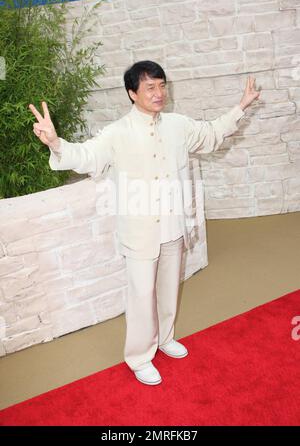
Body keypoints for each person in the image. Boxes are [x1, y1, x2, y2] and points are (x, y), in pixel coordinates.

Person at [29, 60, 260, 386]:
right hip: (139, 231)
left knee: (169, 288)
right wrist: (55, 142)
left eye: (162, 85)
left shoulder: (178, 125)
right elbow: (85, 156)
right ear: (132, 93)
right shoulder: (117, 133)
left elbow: (210, 135)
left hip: (172, 226)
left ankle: (164, 338)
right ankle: (139, 357)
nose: (159, 92)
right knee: (140, 295)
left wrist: (241, 106)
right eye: (150, 87)